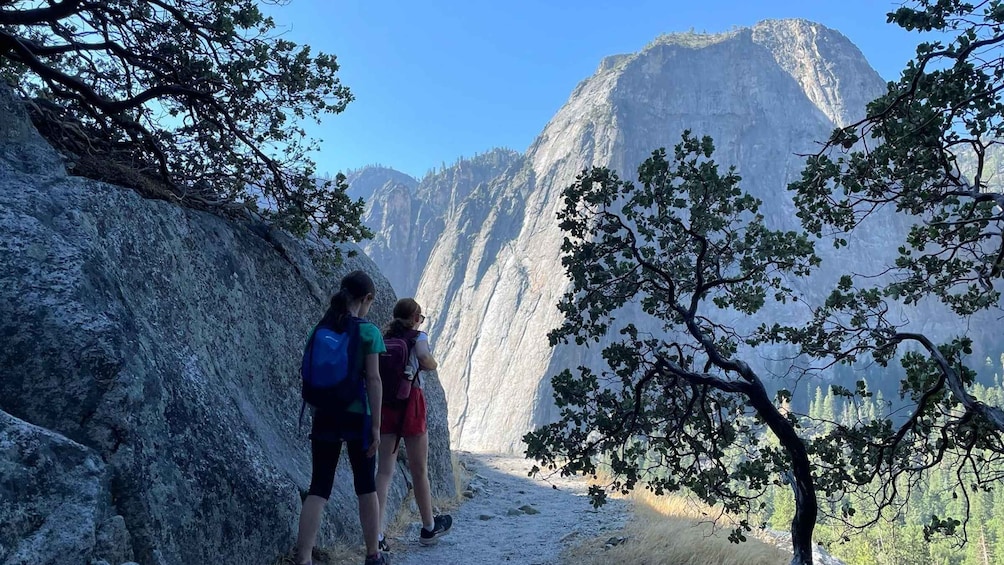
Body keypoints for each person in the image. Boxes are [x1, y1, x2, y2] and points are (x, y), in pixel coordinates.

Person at [294, 270, 389, 565]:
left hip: (323, 415)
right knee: (365, 486)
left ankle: (304, 558)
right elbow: (373, 380)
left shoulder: (318, 329)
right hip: (357, 417)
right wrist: (376, 426)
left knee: (319, 486)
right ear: (366, 299)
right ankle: (372, 555)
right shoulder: (368, 332)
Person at [375, 298, 453, 550]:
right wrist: (431, 363)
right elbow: (424, 358)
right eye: (420, 317)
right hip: (411, 403)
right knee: (419, 470)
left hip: (385, 405)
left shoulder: (383, 336)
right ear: (416, 317)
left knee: (384, 471)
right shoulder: (418, 337)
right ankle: (429, 527)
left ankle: (376, 534)